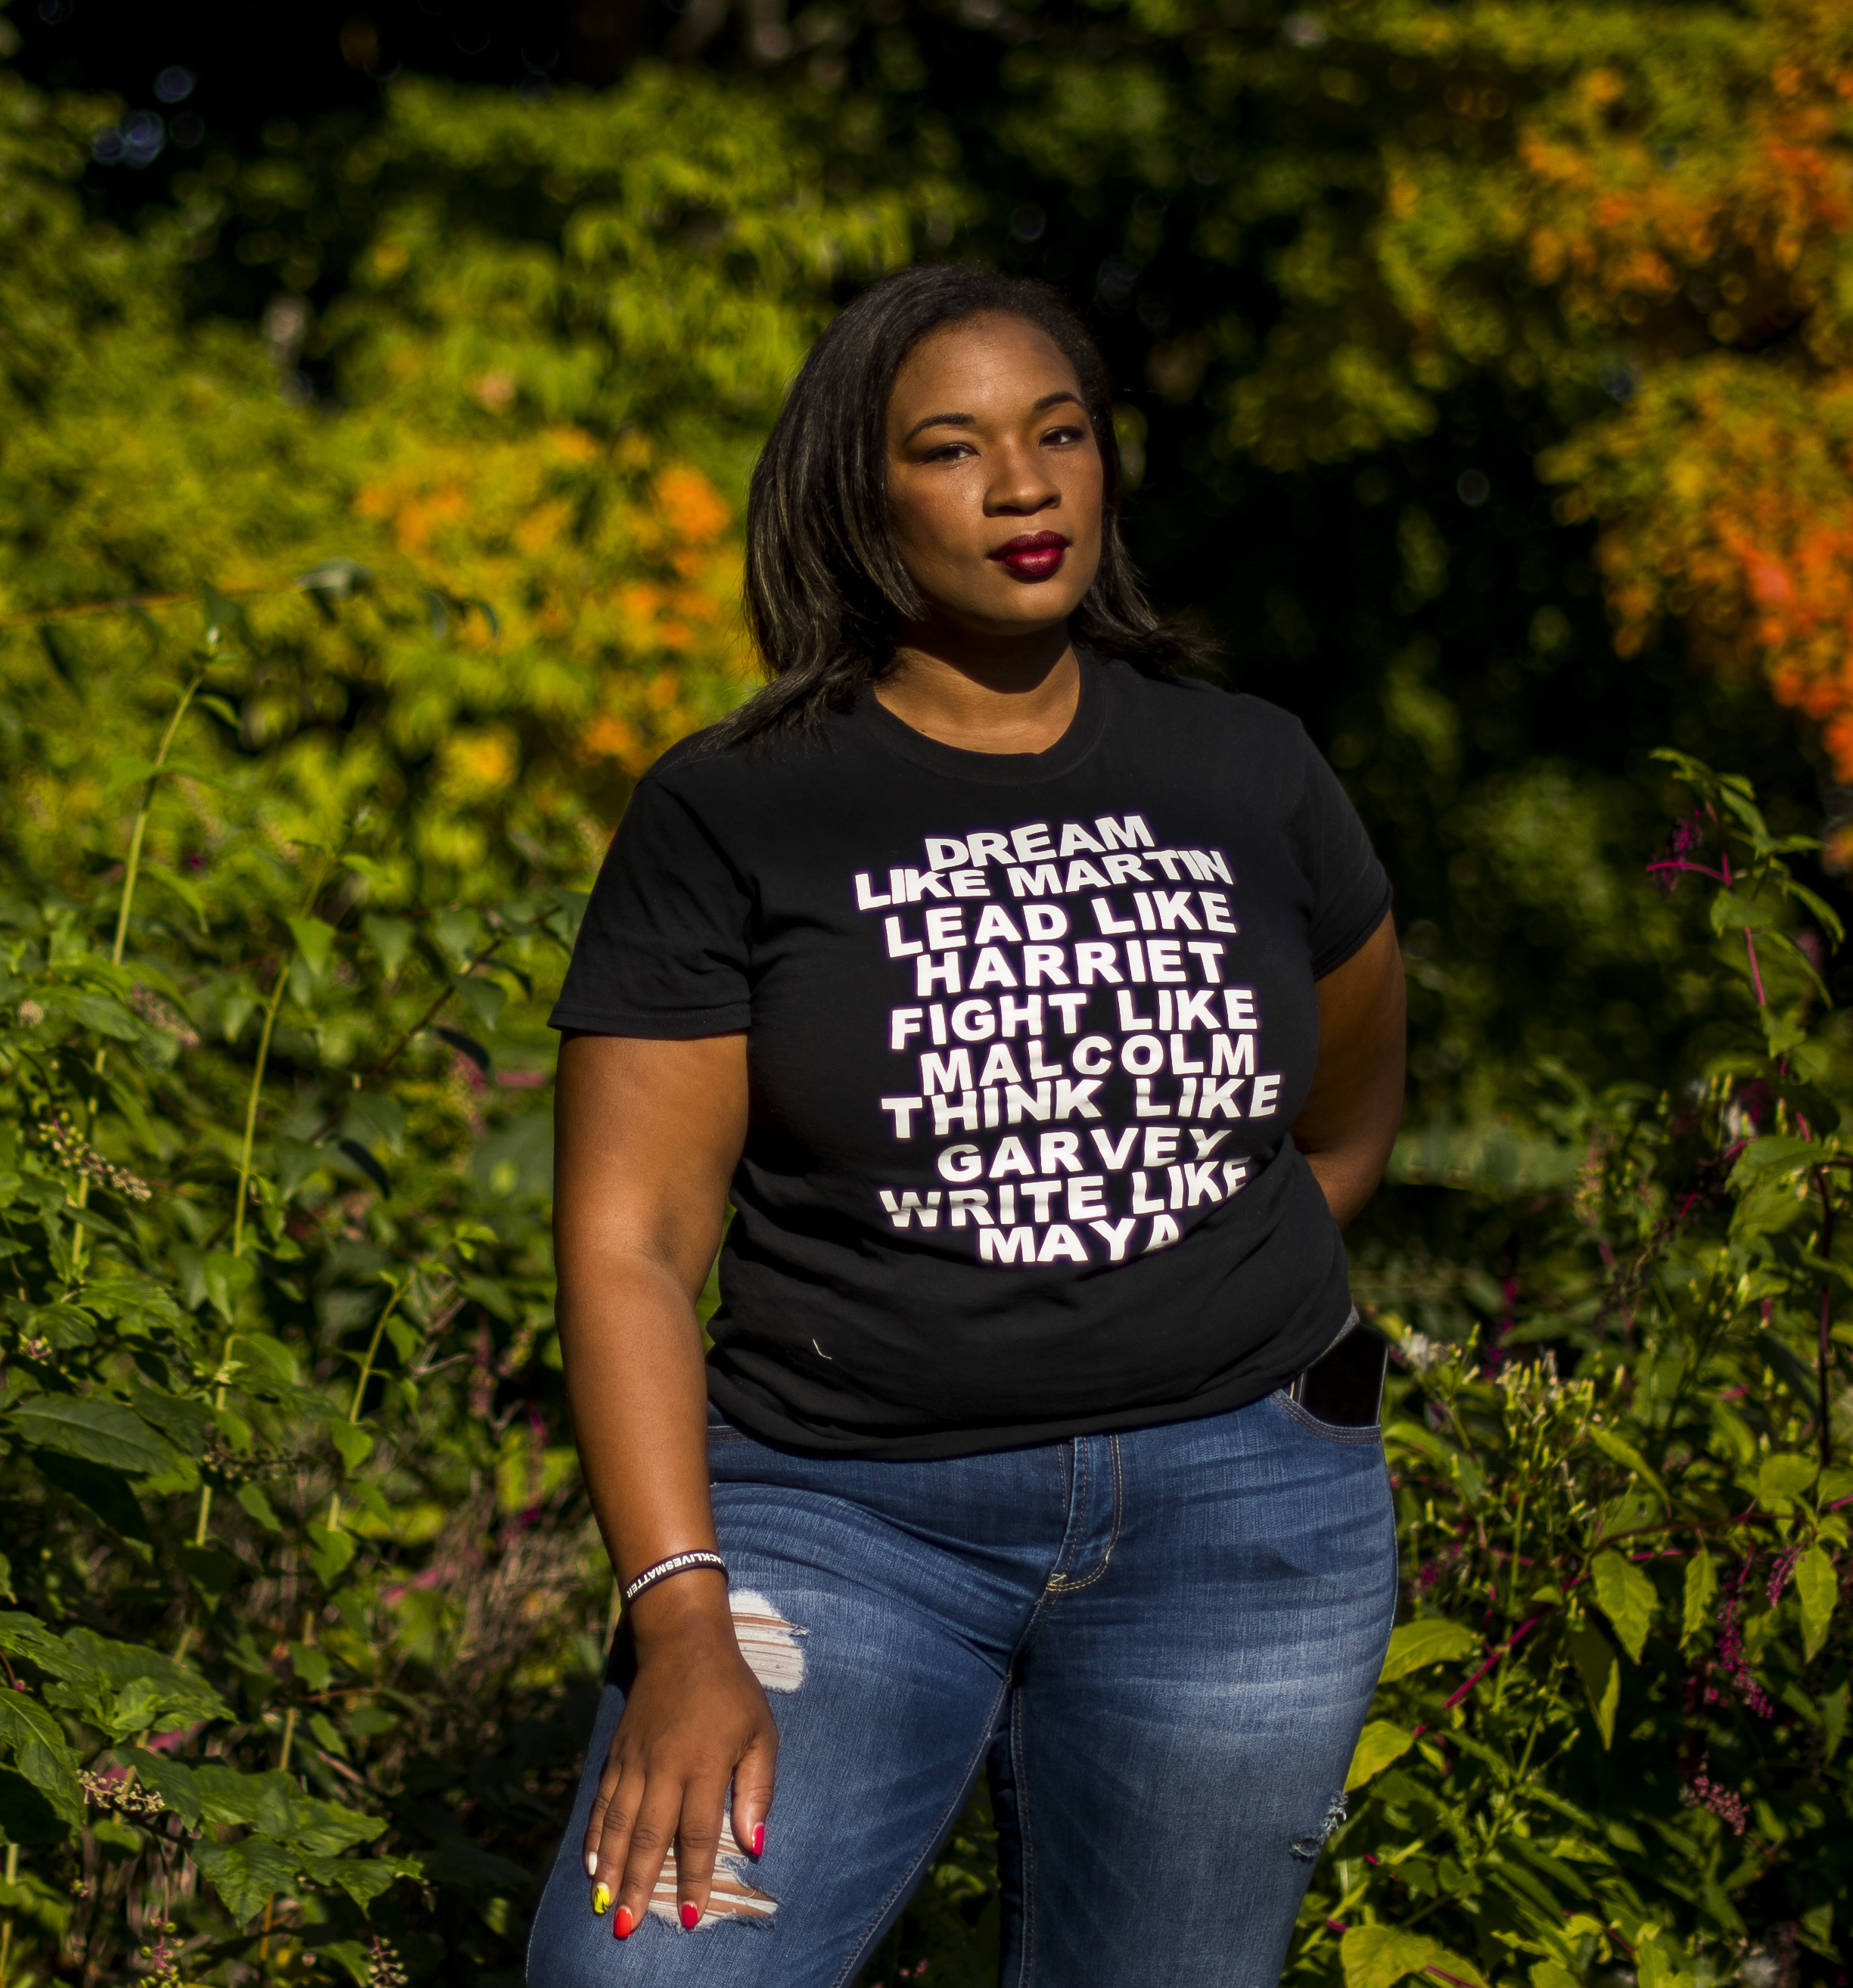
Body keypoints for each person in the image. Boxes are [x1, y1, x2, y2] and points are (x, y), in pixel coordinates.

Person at [524, 263, 1407, 1988]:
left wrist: (1171, 1306)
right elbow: (630, 1239)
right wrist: (682, 1611)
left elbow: (1345, 1118)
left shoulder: (1254, 772)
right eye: (953, 447)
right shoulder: (738, 811)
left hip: (1245, 1523)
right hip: (844, 1522)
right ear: (857, 499)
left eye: (1059, 432)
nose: (1025, 484)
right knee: (637, 1972)